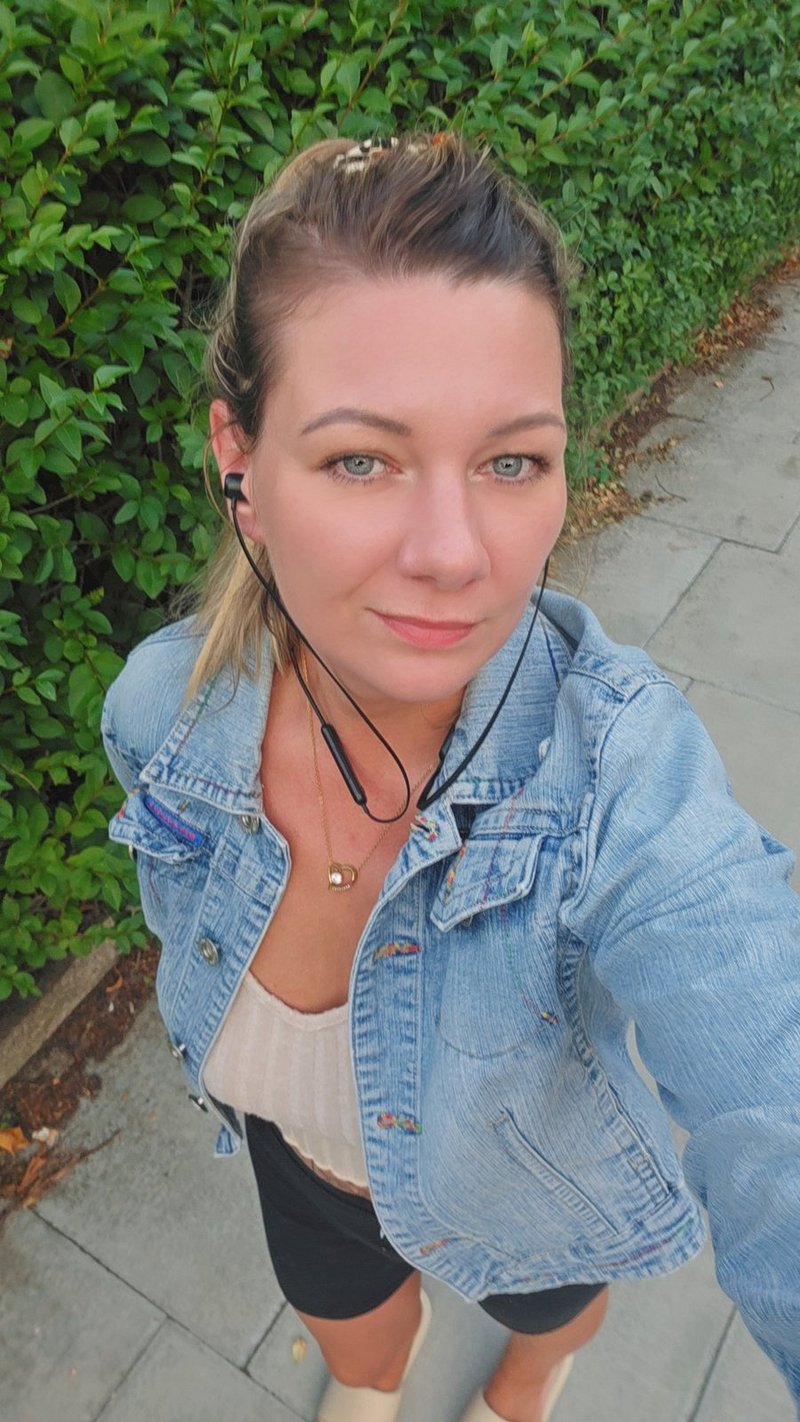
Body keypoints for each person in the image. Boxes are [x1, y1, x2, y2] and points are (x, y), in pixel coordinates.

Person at [101, 132, 800, 1422]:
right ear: (238, 460)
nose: (456, 553)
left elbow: (771, 1067)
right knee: (357, 1344)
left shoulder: (619, 775)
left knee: (548, 1318)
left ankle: (528, 1388)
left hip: (530, 1200)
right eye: (361, 459)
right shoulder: (163, 711)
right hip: (298, 1169)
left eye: (511, 461)